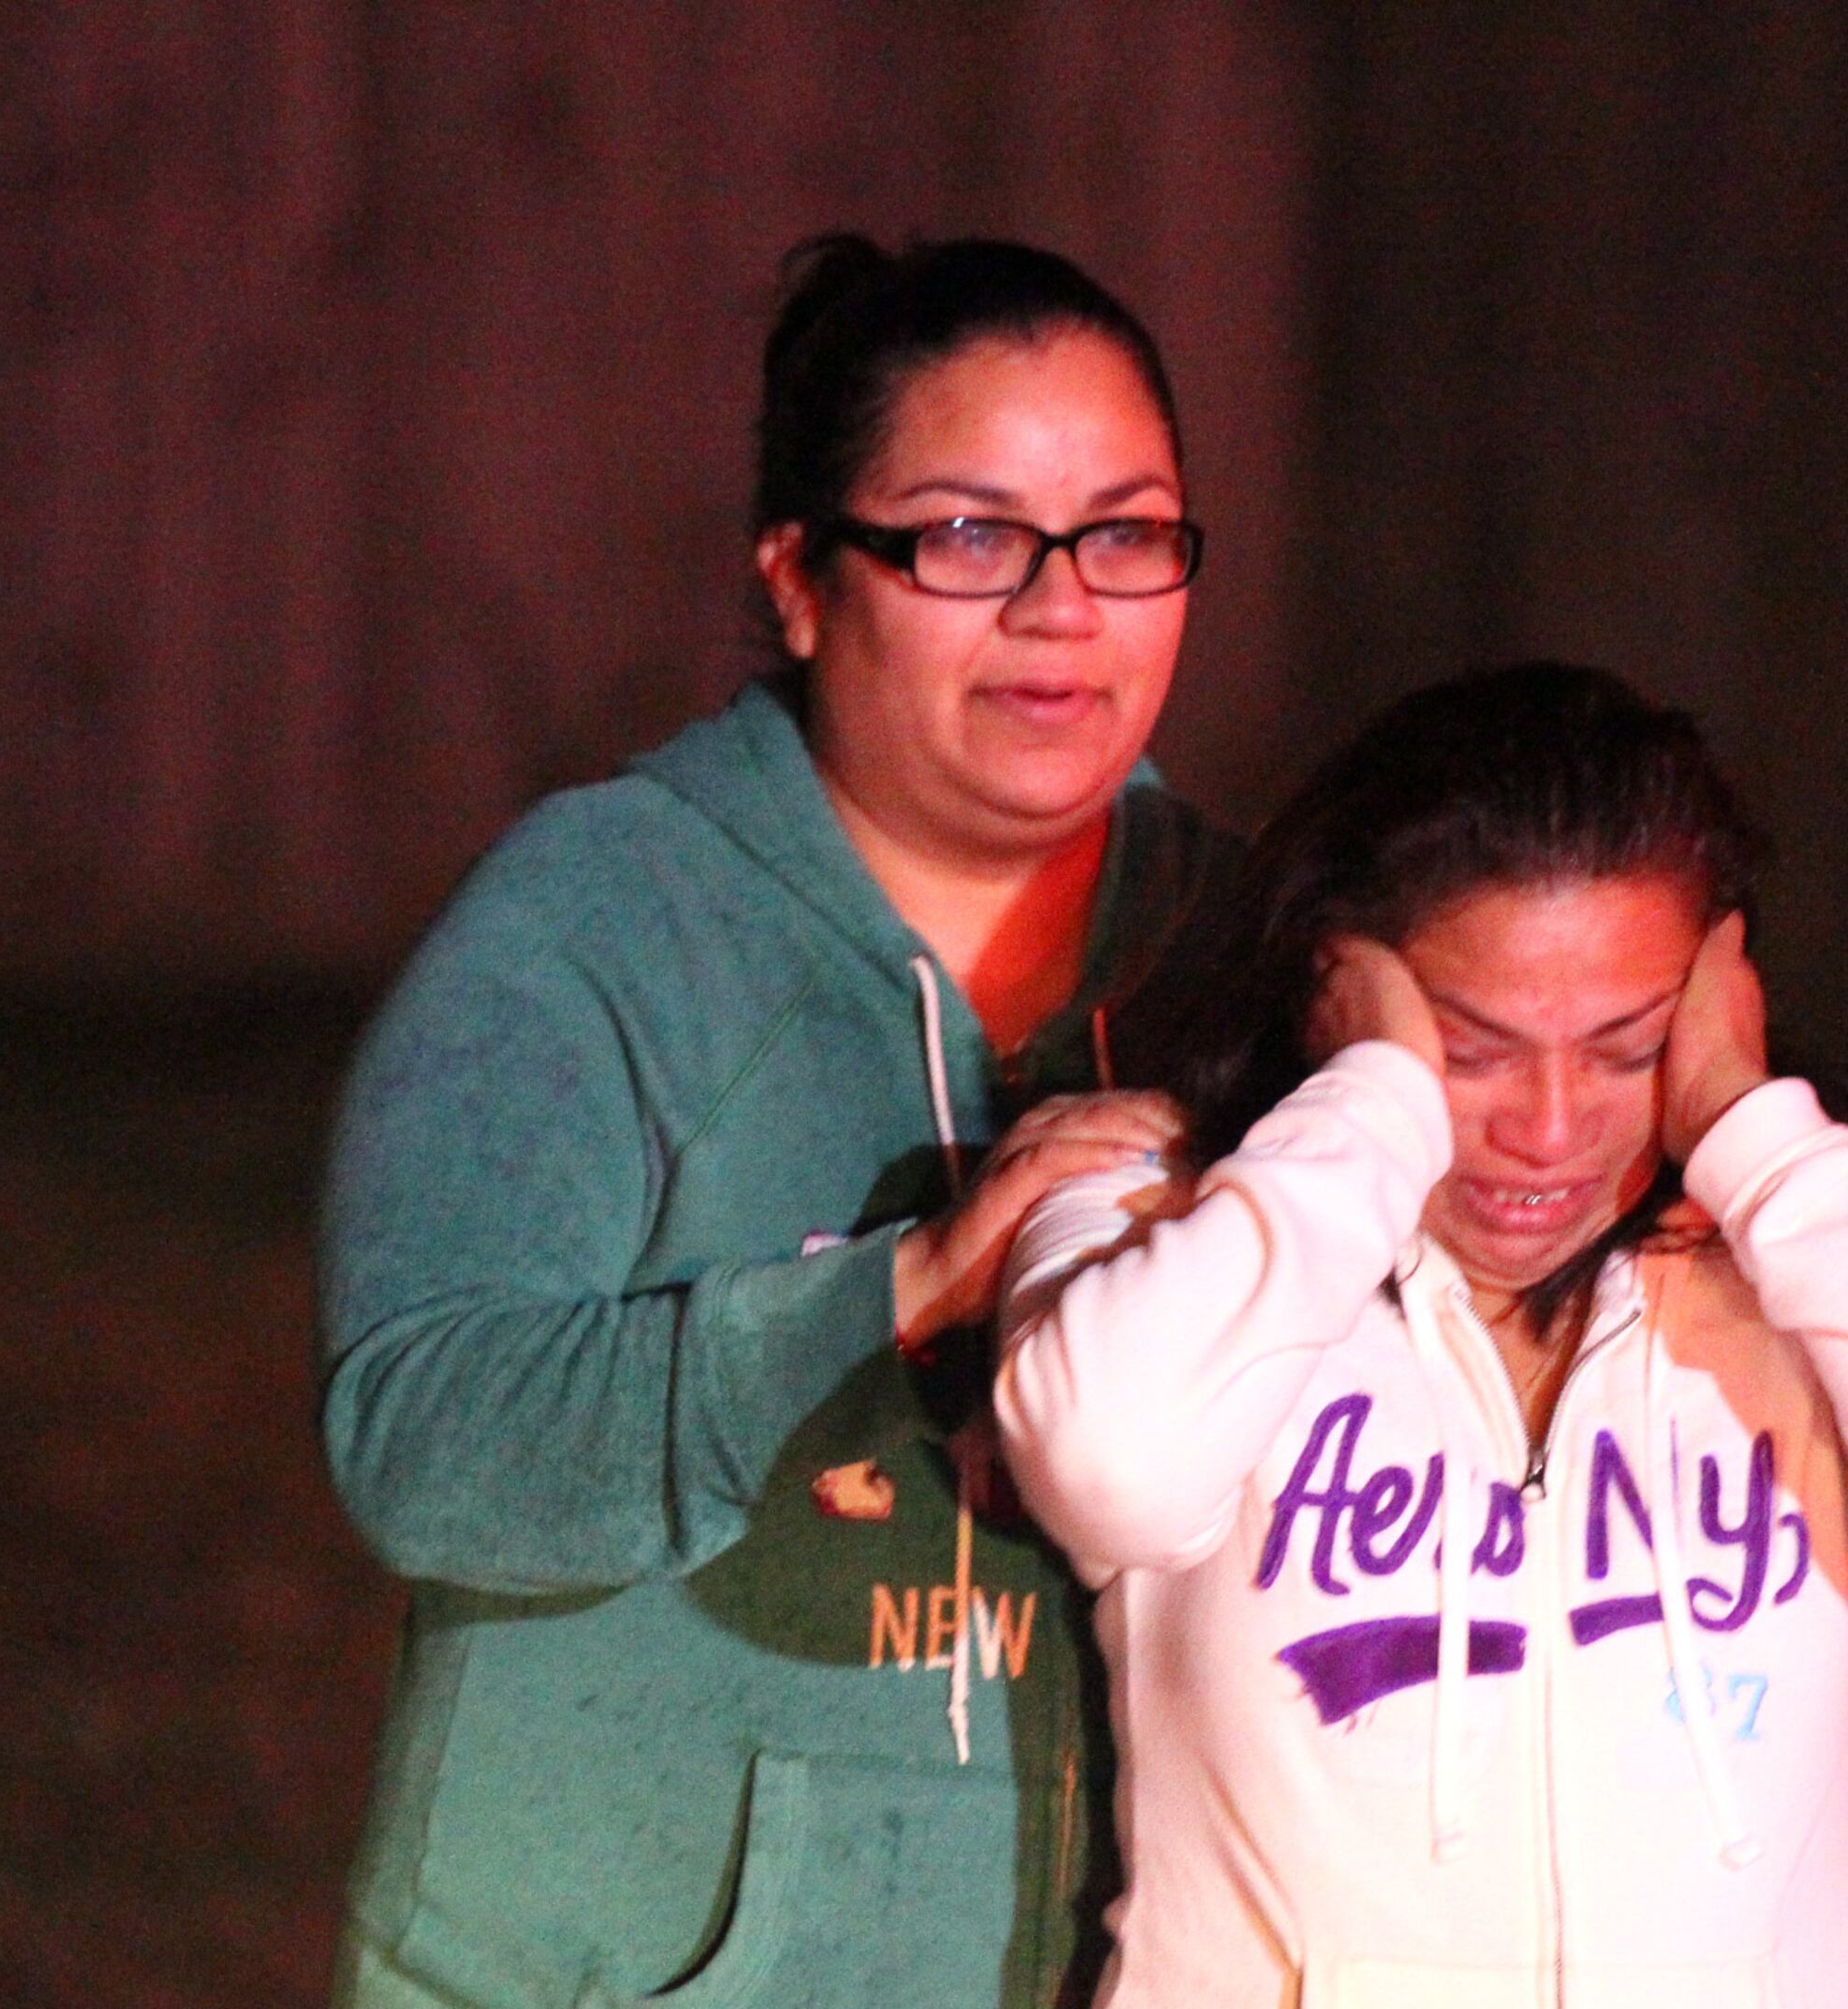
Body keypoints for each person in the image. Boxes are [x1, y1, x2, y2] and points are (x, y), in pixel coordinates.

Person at [318, 235, 1229, 2009]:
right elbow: (422, 1440)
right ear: (802, 581)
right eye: (970, 539)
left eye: (1124, 535)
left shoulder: (1251, 957)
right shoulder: (600, 924)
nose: (1064, 611)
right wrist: (895, 1292)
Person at [992, 663, 1848, 2008]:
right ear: (1340, 992)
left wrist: (1748, 1131)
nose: (1548, 1128)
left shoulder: (1813, 1247)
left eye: (1624, 1047)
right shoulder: (1175, 1227)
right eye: (1473, 1050)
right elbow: (1107, 1465)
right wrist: (1366, 1118)